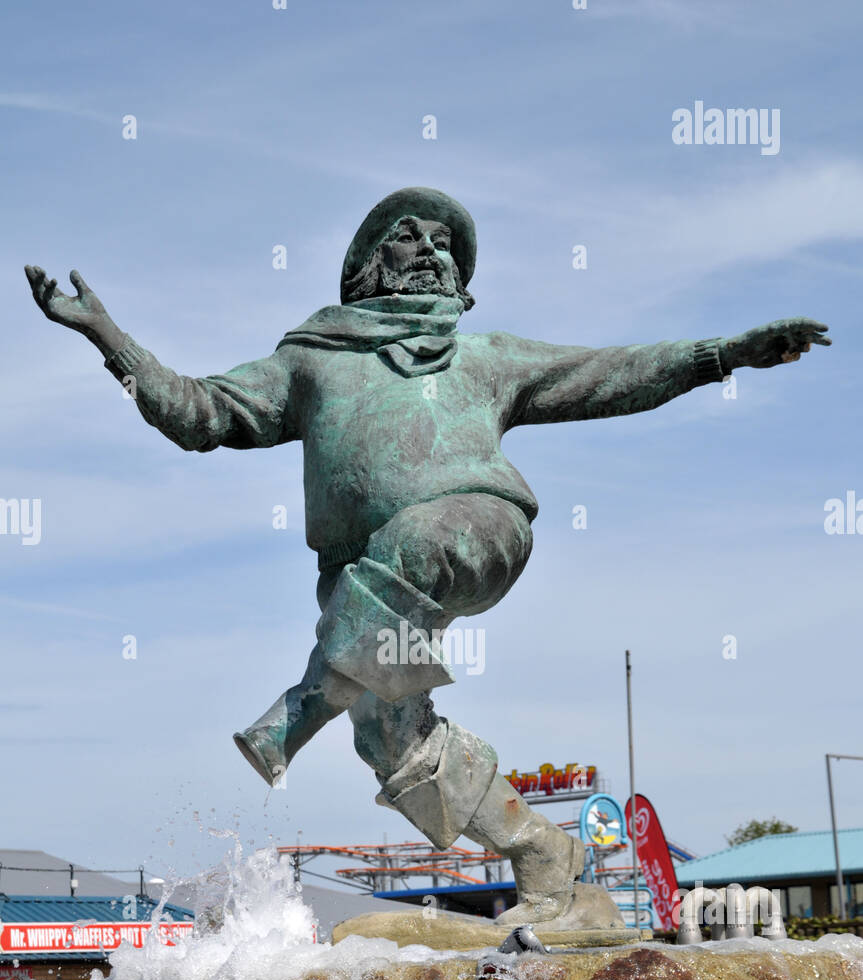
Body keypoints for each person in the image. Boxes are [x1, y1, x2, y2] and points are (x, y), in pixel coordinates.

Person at [25, 187, 830, 935]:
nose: (432, 249)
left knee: (418, 542)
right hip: (361, 585)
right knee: (392, 744)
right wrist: (107, 336)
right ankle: (548, 864)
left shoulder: (485, 358)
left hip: (474, 528)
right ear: (368, 263)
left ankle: (298, 711)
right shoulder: (311, 362)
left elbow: (612, 374)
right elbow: (199, 415)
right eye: (409, 235)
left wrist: (724, 353)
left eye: (445, 243)